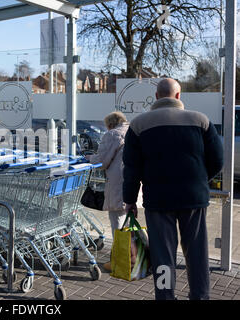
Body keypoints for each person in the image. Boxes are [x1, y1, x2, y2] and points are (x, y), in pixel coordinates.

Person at [122, 78, 223, 300]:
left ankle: (166, 296)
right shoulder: (201, 121)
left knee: (163, 256)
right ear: (178, 96)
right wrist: (199, 181)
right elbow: (218, 160)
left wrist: (130, 200)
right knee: (197, 253)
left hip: (158, 201)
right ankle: (200, 295)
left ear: (157, 97)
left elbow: (131, 168)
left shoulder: (138, 125)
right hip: (193, 198)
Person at [86, 111, 129, 272]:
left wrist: (90, 158)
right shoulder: (132, 132)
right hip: (132, 181)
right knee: (126, 222)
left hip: (118, 182)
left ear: (110, 124)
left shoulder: (112, 134)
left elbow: (102, 161)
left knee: (117, 222)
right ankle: (129, 257)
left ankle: (120, 263)